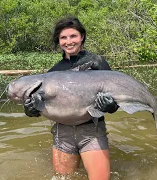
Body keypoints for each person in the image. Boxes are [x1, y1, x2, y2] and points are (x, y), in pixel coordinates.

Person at [24, 16, 119, 180]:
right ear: (58, 41)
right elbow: (44, 104)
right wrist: (31, 110)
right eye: (63, 37)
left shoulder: (97, 63)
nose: (69, 41)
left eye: (73, 36)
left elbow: (116, 98)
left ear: (81, 36)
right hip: (63, 133)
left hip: (92, 130)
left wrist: (111, 106)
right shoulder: (53, 72)